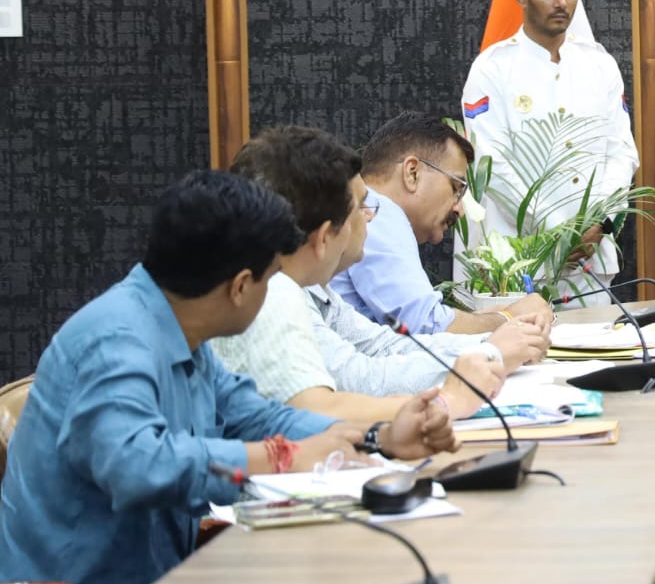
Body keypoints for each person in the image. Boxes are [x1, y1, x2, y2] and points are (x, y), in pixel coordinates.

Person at [0, 171, 456, 584]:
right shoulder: (114, 341)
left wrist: (379, 437)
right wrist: (281, 457)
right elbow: (138, 465)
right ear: (240, 286)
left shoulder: (179, 325)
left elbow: (256, 417)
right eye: (271, 280)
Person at [213, 127, 549, 421]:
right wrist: (482, 362)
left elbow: (381, 346)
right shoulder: (273, 291)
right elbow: (357, 381)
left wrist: (488, 346)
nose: (372, 216)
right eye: (363, 205)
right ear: (325, 235)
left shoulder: (307, 287)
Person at [460, 0, 640, 302]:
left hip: (590, 262)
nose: (562, 2)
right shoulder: (492, 69)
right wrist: (559, 230)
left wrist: (599, 223)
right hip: (519, 264)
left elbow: (622, 154)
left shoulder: (600, 65)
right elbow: (491, 165)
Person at [331, 112, 553, 334]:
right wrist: (510, 317)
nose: (459, 209)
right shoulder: (378, 212)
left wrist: (489, 318)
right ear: (412, 173)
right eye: (456, 188)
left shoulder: (369, 210)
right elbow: (425, 327)